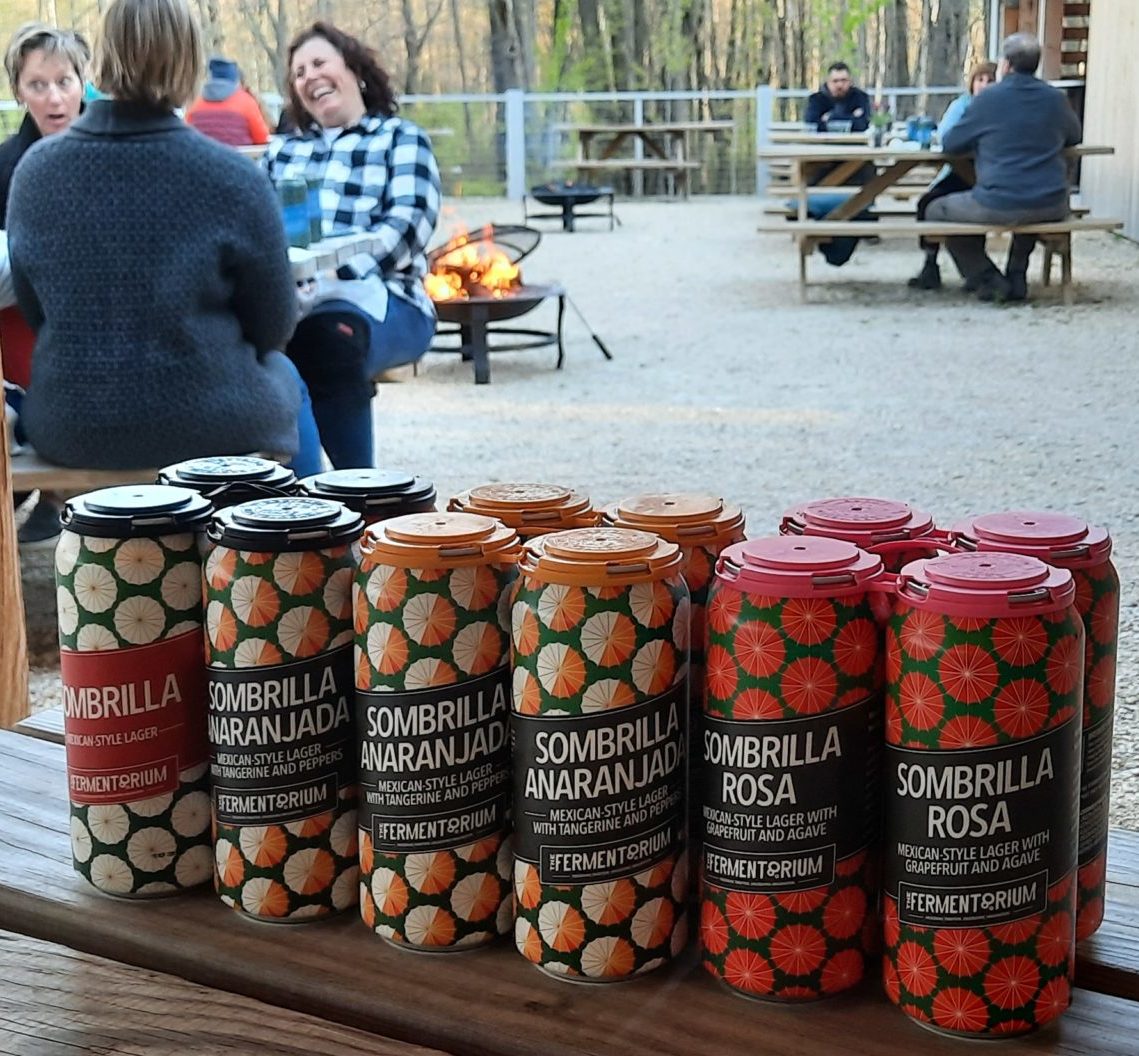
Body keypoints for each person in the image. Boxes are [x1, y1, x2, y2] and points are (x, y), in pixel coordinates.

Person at [7, 0, 322, 476]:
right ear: (191, 61)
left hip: (70, 426)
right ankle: (303, 536)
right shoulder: (232, 176)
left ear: (103, 61)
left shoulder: (35, 172)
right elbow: (273, 327)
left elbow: (37, 310)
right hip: (208, 421)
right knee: (285, 375)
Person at [263, 22, 441, 470]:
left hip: (389, 302)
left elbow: (408, 229)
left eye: (320, 62)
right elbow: (257, 234)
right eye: (299, 72)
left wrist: (326, 269)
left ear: (355, 70)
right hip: (296, 305)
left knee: (327, 340)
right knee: (261, 357)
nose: (309, 76)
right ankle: (301, 504)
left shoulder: (400, 138)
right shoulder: (283, 153)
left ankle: (356, 495)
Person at [0, 23, 89, 545]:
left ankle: (57, 496)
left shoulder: (111, 150)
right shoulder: (7, 166)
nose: (54, 98)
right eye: (38, 85)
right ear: (18, 91)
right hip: (27, 332)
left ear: (84, 81)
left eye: (65, 81)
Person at [927, 33, 1082, 302]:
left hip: (997, 201)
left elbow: (951, 143)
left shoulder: (988, 99)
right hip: (1052, 202)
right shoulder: (1055, 99)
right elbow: (1074, 136)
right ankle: (1017, 272)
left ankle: (988, 278)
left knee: (935, 210)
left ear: (1006, 65)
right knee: (1030, 197)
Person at [908, 61, 997, 290]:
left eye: (990, 81)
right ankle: (930, 263)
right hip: (958, 170)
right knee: (927, 202)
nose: (984, 86)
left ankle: (976, 272)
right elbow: (945, 136)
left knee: (974, 210)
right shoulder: (961, 106)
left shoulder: (1002, 108)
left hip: (990, 174)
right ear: (972, 83)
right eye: (980, 80)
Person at [185, 56, 269, 147]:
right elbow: (262, 138)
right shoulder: (247, 102)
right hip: (239, 159)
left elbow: (186, 135)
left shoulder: (195, 104)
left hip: (201, 159)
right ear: (235, 79)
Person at [805, 62, 872, 133]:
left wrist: (829, 117)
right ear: (828, 81)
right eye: (835, 81)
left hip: (854, 142)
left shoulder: (860, 97)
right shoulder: (816, 99)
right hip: (823, 142)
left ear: (850, 81)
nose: (839, 85)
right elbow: (812, 124)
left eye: (844, 80)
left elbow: (864, 124)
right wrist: (852, 117)